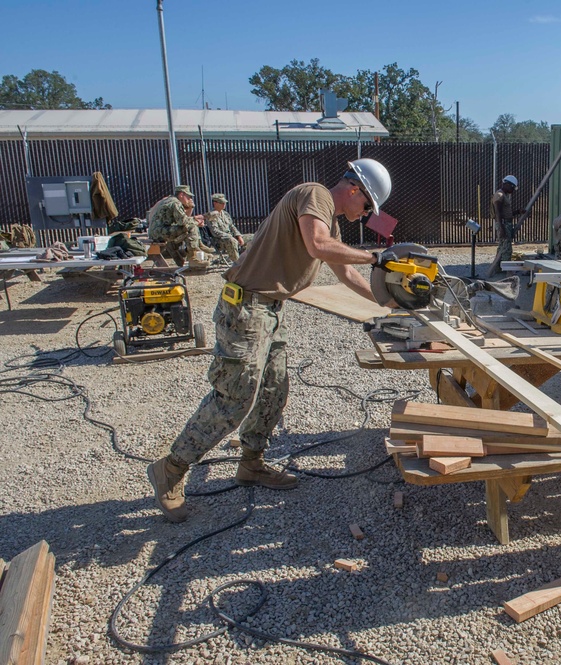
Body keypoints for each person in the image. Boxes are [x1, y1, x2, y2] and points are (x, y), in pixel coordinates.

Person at [147, 158, 396, 523]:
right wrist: (376, 256)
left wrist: (388, 301)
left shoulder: (330, 223)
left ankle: (251, 463)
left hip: (270, 310)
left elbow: (344, 270)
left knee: (274, 390)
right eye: (368, 206)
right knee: (235, 396)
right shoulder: (315, 195)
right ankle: (171, 468)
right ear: (355, 189)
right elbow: (317, 245)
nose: (367, 214)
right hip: (246, 307)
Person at [147, 185, 212, 268]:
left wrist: (194, 219)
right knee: (191, 227)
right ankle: (193, 258)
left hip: (157, 231)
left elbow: (180, 220)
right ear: (181, 195)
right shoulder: (176, 203)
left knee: (190, 225)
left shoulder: (169, 200)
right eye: (188, 197)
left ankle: (197, 247)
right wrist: (196, 220)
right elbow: (183, 221)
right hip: (159, 232)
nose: (189, 199)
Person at [487, 175, 519, 276]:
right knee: (506, 249)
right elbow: (498, 213)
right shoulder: (499, 195)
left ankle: (498, 268)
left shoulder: (503, 195)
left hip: (505, 223)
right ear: (507, 184)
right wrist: (502, 228)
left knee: (502, 247)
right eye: (512, 187)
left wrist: (517, 212)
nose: (513, 190)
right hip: (503, 224)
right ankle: (506, 270)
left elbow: (506, 213)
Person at [204, 193, 251, 261]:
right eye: (221, 203)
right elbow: (215, 232)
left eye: (224, 202)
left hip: (231, 236)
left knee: (253, 237)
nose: (224, 204)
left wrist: (238, 236)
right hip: (220, 240)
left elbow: (232, 226)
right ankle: (237, 263)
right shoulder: (211, 216)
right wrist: (229, 236)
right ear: (215, 203)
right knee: (232, 241)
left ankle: (246, 258)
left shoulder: (225, 214)